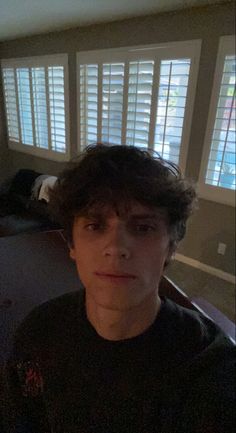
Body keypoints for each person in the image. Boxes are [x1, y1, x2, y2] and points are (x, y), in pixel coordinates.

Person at [1, 144, 235, 433]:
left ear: (171, 247)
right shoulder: (37, 334)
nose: (115, 248)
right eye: (95, 226)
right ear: (71, 243)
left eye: (143, 228)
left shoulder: (209, 370)